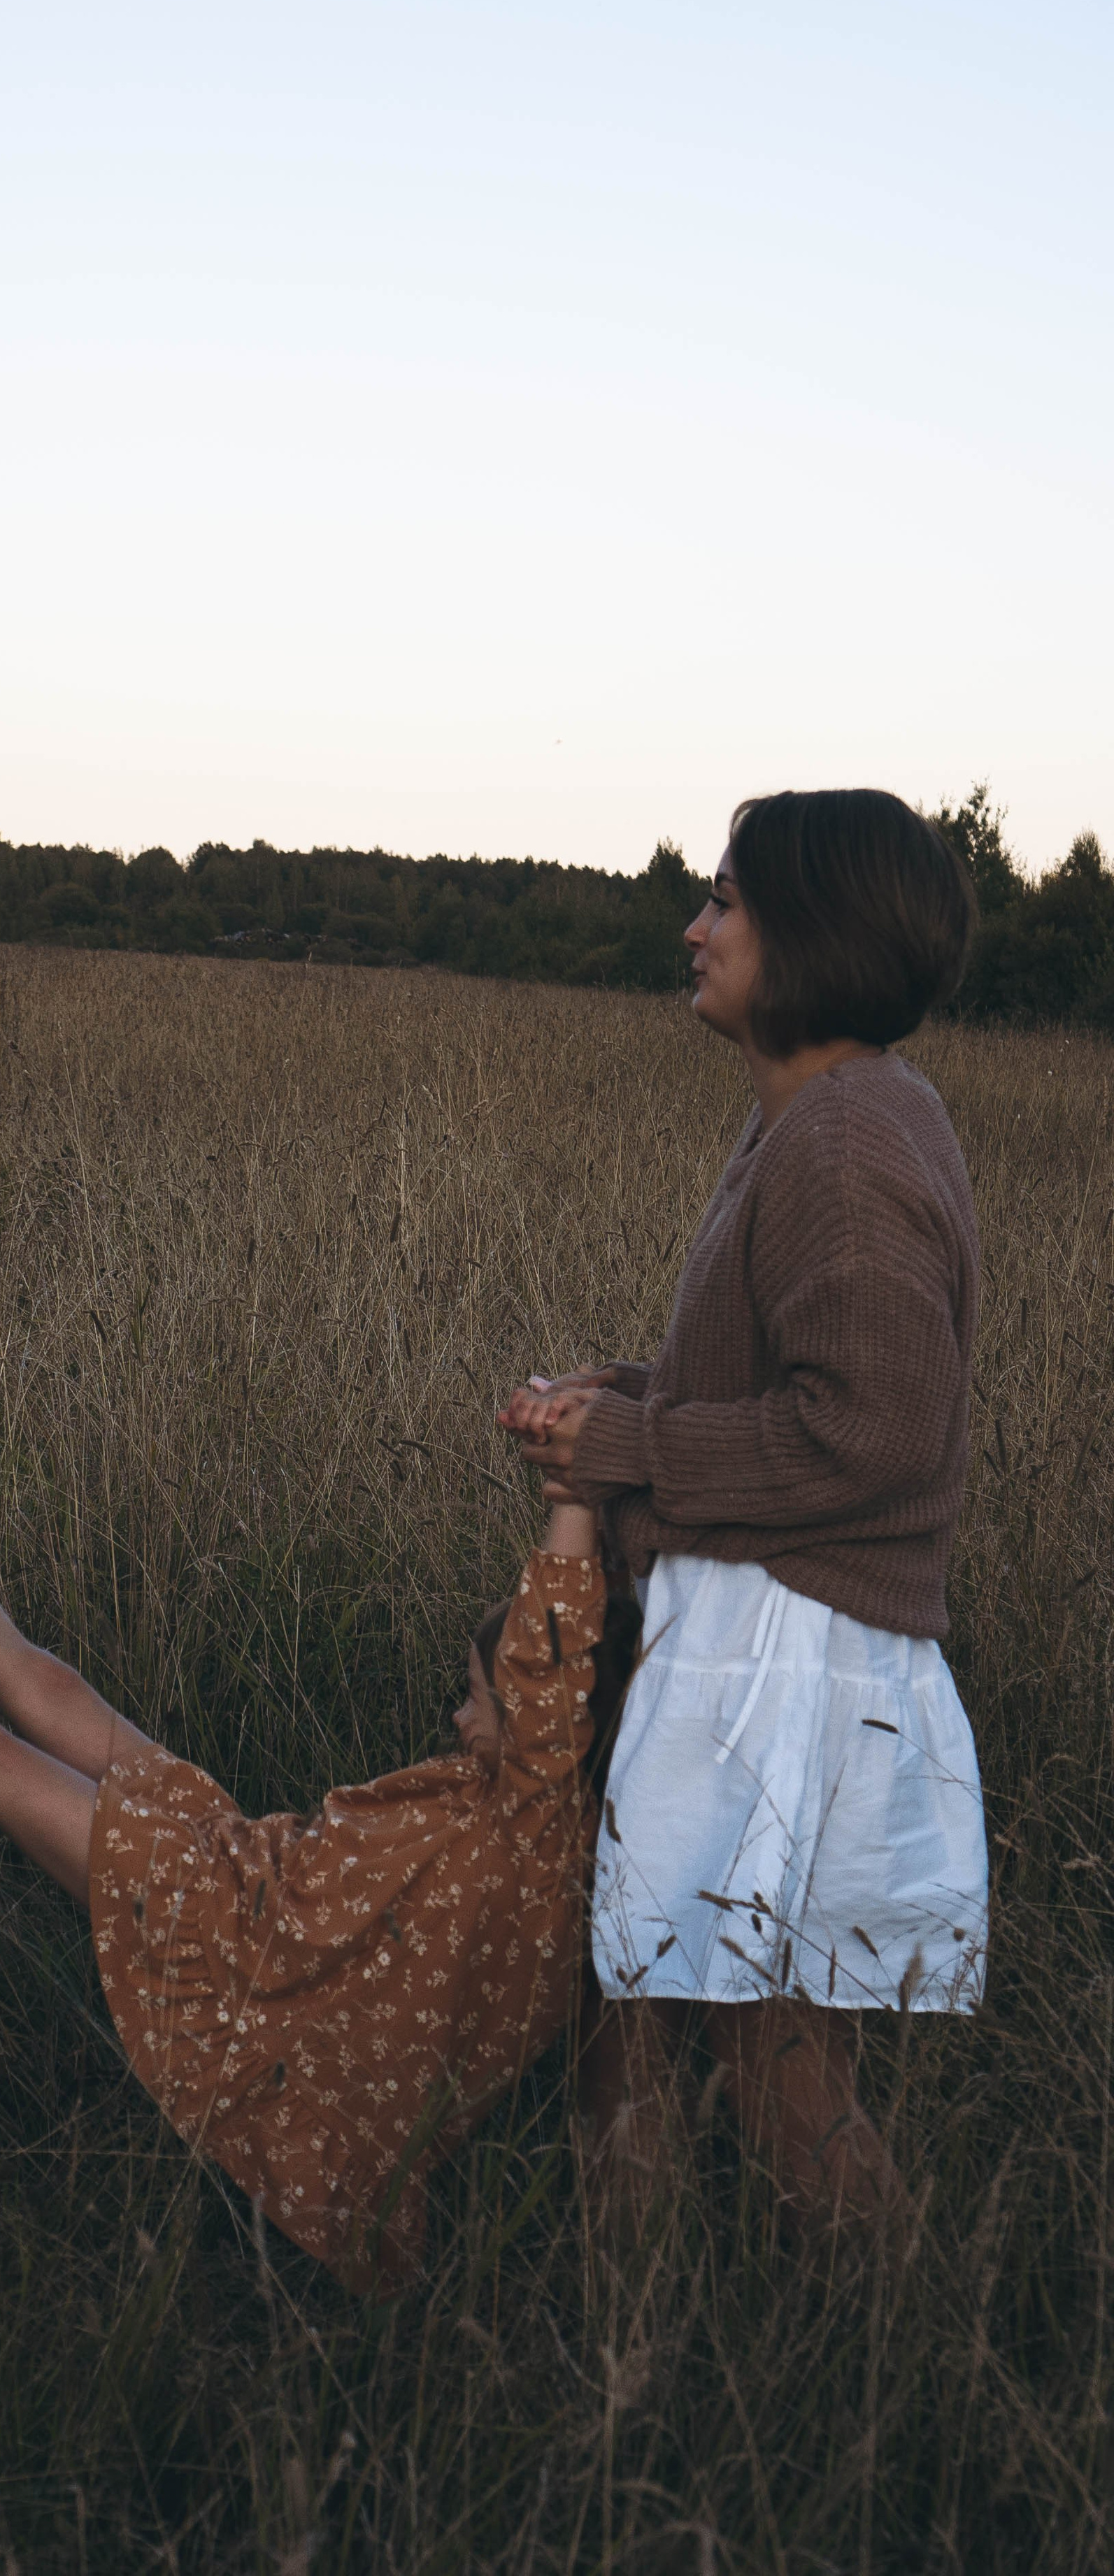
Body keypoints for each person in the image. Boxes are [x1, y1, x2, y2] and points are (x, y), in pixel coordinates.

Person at [0, 1329, 607, 2296]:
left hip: (238, 1943)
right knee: (48, 1690)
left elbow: (554, 1641)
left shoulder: (540, 1814)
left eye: (478, 1698)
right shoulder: (519, 1804)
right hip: (245, 1866)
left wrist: (577, 1493)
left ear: (543, 1720)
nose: (457, 1713)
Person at [499, 787, 986, 2245]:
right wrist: (628, 1399)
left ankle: (880, 2371)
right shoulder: (822, 1118)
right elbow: (796, 1385)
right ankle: (630, 2363)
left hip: (781, 1652)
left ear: (810, 935)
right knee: (646, 2000)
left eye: (723, 900)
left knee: (755, 2051)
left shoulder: (842, 1141)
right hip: (762, 1633)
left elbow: (876, 1432)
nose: (692, 926)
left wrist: (632, 1442)